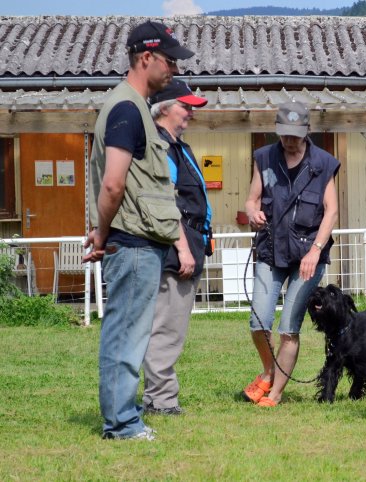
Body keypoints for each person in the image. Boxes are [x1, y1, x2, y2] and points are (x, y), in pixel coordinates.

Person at [83, 21, 194, 440]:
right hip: (130, 244)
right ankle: (122, 423)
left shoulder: (132, 106)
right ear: (145, 57)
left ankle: (123, 417)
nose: (172, 70)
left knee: (130, 333)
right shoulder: (127, 109)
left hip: (136, 242)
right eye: (168, 60)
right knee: (126, 336)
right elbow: (113, 182)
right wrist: (102, 233)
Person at [242, 101, 340, 407]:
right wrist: (253, 213)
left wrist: (315, 250)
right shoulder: (264, 158)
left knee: (288, 328)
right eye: (284, 134)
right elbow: (251, 200)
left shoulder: (324, 164)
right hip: (271, 250)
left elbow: (332, 211)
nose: (289, 140)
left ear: (307, 131)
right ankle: (270, 370)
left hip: (308, 257)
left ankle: (275, 393)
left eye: (295, 135)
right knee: (259, 323)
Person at [142, 79, 211, 416]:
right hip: (175, 249)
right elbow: (165, 203)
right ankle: (162, 401)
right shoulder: (158, 146)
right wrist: (183, 249)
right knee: (166, 329)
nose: (190, 114)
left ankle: (155, 398)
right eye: (186, 107)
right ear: (165, 108)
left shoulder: (176, 145)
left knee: (168, 326)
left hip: (187, 245)